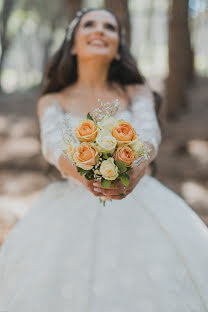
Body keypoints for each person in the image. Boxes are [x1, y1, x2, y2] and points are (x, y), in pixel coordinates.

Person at [0, 8, 208, 312]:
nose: (100, 31)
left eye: (110, 28)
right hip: (68, 202)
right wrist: (86, 176)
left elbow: (149, 135)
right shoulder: (53, 100)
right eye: (90, 25)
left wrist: (136, 169)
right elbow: (54, 146)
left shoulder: (137, 92)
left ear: (117, 47)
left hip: (140, 197)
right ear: (73, 44)